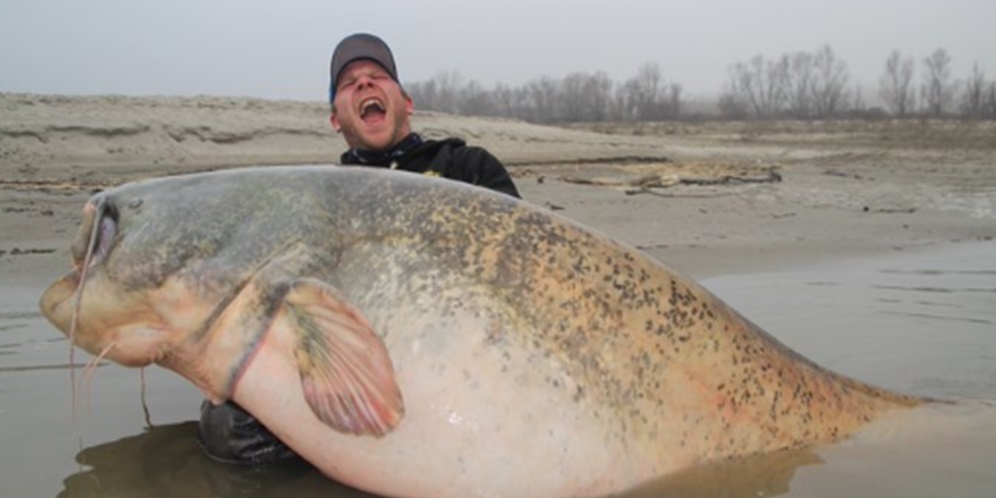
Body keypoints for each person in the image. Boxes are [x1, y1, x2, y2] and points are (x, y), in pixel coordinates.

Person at [197, 32, 520, 465]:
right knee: (227, 428)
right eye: (349, 83)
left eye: (377, 76)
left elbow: (522, 264)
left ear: (406, 101)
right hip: (352, 363)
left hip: (465, 354)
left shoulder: (467, 166)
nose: (365, 84)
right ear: (335, 119)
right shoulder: (317, 200)